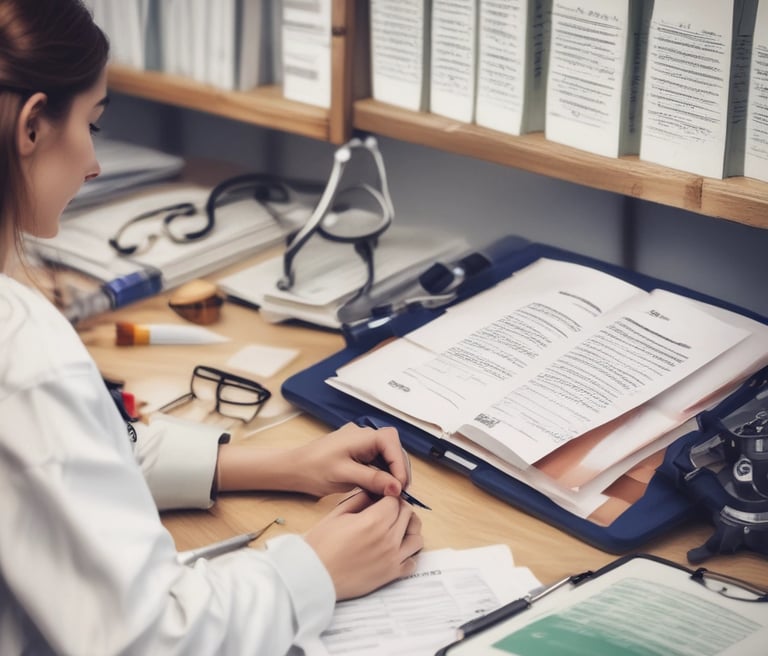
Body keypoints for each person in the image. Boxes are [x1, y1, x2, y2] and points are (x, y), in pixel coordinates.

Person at [0, 2, 423, 654]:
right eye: (94, 122)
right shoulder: (24, 352)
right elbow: (152, 639)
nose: (94, 164)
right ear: (32, 126)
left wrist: (286, 464)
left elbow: (55, 461)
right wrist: (313, 570)